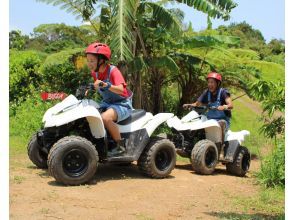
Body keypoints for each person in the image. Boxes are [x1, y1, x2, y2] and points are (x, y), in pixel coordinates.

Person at [85, 42, 133, 156]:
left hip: (122, 104)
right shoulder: (95, 73)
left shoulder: (113, 71)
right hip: (107, 103)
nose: (89, 64)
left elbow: (121, 90)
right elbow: (97, 85)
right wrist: (89, 89)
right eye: (88, 60)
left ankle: (121, 147)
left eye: (92, 61)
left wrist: (106, 85)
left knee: (105, 118)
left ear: (101, 60)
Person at [183, 72, 233, 146]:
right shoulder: (206, 93)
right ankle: (189, 143)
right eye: (208, 82)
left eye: (212, 82)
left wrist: (224, 107)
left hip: (223, 120)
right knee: (197, 121)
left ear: (218, 83)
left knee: (221, 123)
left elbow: (231, 105)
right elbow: (197, 104)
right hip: (210, 120)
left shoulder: (223, 92)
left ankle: (221, 148)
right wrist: (189, 105)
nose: (210, 84)